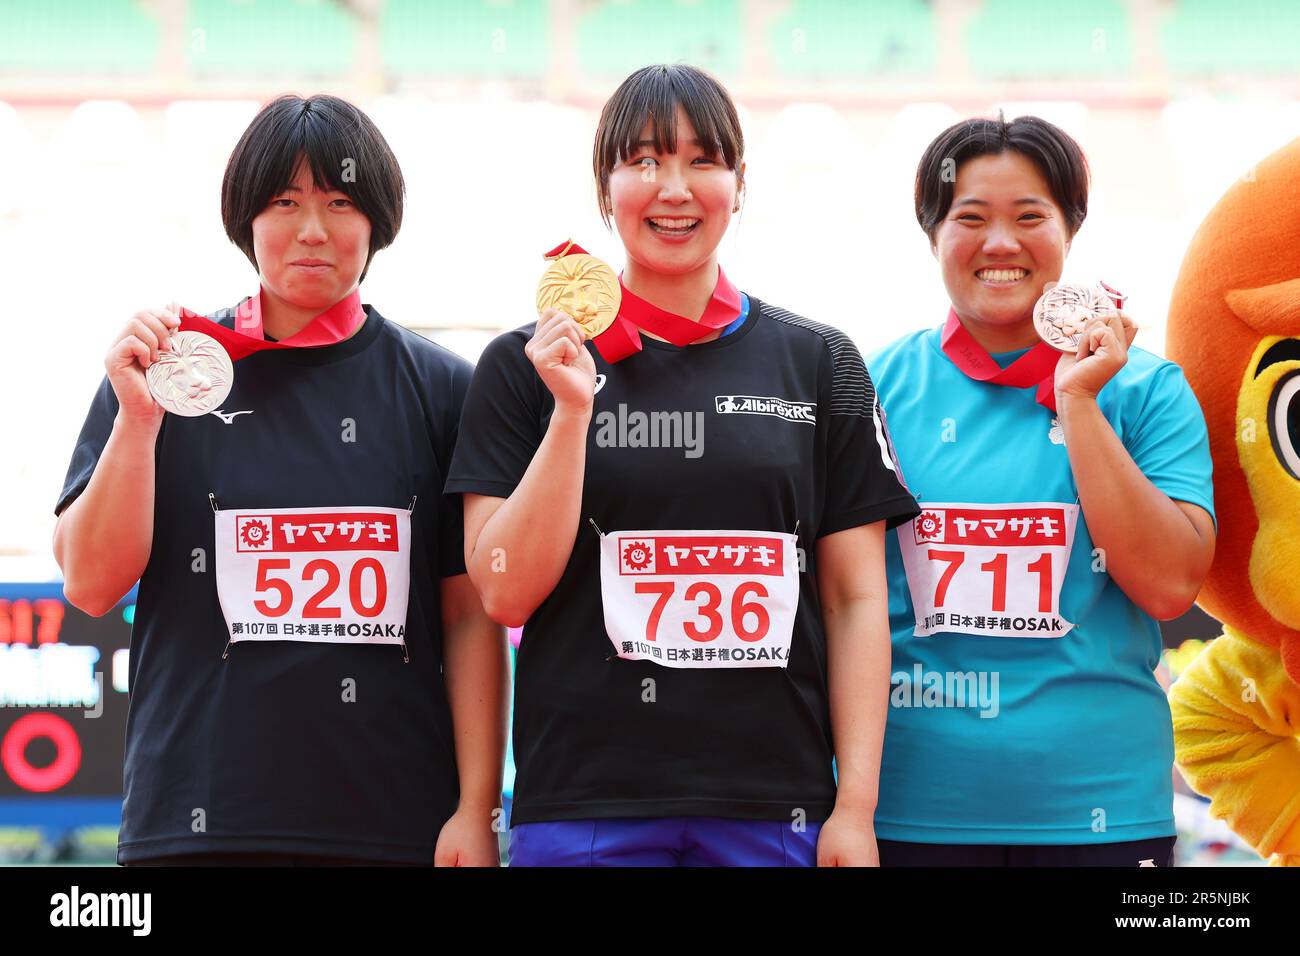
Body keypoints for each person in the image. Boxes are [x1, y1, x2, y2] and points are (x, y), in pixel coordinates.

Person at [447, 64, 918, 867]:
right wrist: (570, 414)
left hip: (778, 809)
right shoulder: (523, 363)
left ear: (739, 185)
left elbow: (854, 598)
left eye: (703, 160)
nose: (674, 188)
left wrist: (856, 806)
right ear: (605, 188)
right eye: (643, 161)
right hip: (581, 808)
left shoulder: (821, 362)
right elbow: (502, 588)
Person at [53, 94, 506, 866]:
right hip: (195, 826)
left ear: (378, 221)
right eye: (284, 202)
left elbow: (470, 619)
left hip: (392, 828)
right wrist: (137, 419)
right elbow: (92, 585)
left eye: (339, 202)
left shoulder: (444, 391)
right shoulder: (169, 377)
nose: (312, 230)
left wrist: (473, 808)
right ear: (245, 220)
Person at [867, 114, 1217, 866]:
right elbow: (840, 603)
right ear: (932, 234)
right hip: (910, 812)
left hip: (1104, 812)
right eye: (970, 218)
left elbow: (1169, 587)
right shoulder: (869, 388)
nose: (1001, 244)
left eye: (1031, 217)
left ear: (1070, 232)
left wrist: (1081, 404)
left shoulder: (1149, 390)